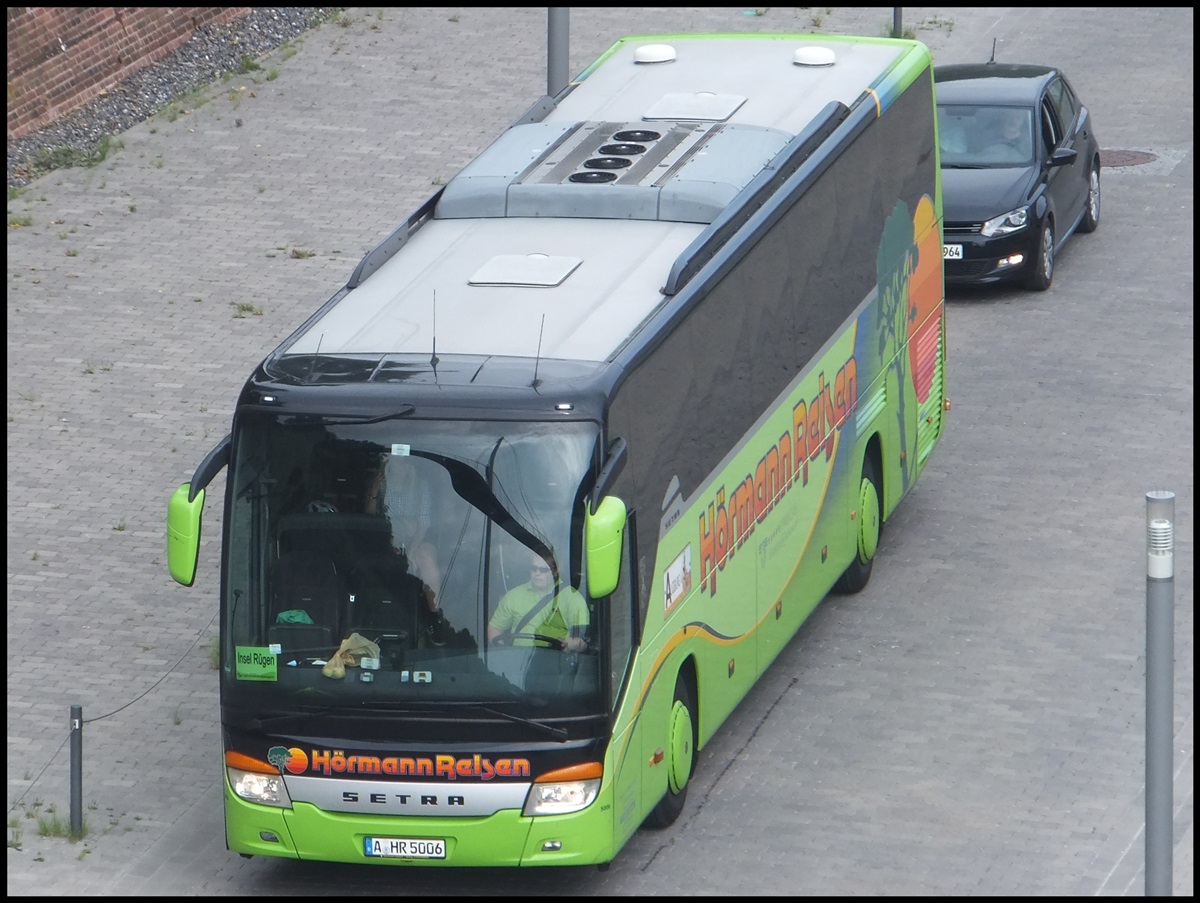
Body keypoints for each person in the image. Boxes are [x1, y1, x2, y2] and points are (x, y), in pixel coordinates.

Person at [365, 453, 441, 608]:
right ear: (389, 464)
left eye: (404, 460)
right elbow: (369, 517)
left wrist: (412, 550)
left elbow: (423, 522)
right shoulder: (382, 485)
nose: (400, 464)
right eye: (396, 460)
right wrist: (373, 491)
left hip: (416, 540)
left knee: (427, 557)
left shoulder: (421, 485)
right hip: (386, 539)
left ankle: (435, 612)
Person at [488, 553, 589, 651]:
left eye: (543, 570)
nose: (537, 573)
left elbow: (581, 641)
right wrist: (503, 653)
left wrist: (569, 644)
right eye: (534, 569)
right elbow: (494, 628)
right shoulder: (513, 596)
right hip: (518, 662)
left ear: (555, 571)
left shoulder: (572, 597)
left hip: (557, 662)